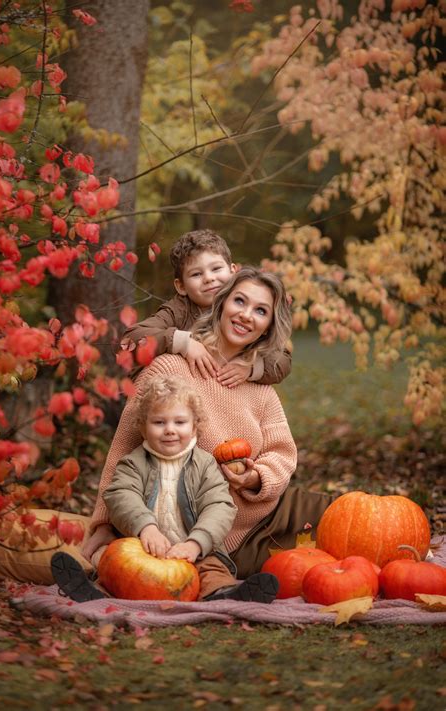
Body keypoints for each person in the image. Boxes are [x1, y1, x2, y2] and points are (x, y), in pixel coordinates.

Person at [81, 267, 332, 581]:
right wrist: (103, 523)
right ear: (222, 303)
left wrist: (255, 477)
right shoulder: (169, 368)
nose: (246, 315)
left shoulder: (260, 387)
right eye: (239, 301)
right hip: (204, 532)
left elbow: (282, 455)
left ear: (268, 326)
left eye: (260, 311)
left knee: (348, 515)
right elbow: (123, 451)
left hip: (265, 513)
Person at [52, 375, 279, 603]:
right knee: (113, 563)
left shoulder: (205, 465)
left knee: (212, 570)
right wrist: (145, 528)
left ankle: (227, 594)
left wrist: (196, 543)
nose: (170, 430)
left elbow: (219, 506)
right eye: (159, 422)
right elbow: (121, 495)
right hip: (141, 548)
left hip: (194, 552)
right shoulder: (133, 463)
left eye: (179, 422)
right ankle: (92, 591)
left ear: (194, 427)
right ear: (142, 426)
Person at [121, 229, 292, 387]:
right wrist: (184, 343)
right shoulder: (179, 309)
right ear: (181, 286)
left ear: (233, 271)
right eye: (196, 274)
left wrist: (251, 367)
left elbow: (282, 359)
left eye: (216, 268)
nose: (209, 278)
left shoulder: (243, 312)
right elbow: (131, 339)